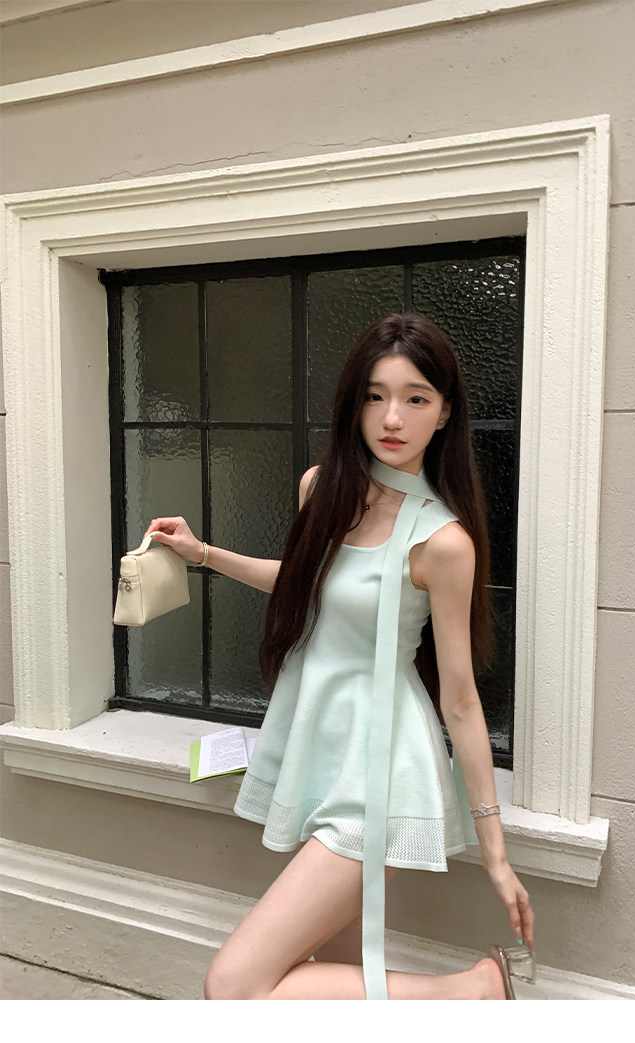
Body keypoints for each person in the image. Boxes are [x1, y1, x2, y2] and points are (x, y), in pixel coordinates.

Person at [146, 312, 534, 1000]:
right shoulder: (320, 488)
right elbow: (310, 581)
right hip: (324, 752)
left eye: (416, 397)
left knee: (234, 986)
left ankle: (474, 992)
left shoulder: (443, 543)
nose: (392, 417)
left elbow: (460, 700)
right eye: (375, 395)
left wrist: (495, 852)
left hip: (382, 772)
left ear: (445, 412)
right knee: (331, 975)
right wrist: (202, 553)